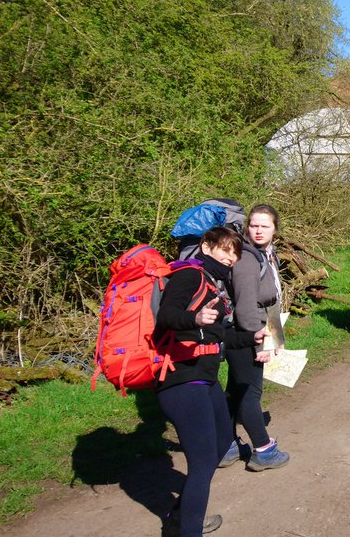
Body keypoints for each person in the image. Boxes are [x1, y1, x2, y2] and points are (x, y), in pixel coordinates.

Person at [155, 226, 267, 537]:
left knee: (220, 445)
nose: (231, 257)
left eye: (235, 252)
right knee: (203, 463)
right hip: (181, 380)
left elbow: (220, 338)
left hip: (204, 380)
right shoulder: (189, 276)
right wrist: (194, 319)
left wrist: (250, 337)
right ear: (206, 246)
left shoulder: (212, 284)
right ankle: (189, 530)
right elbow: (166, 316)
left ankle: (182, 515)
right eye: (226, 250)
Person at [223, 204, 290, 472]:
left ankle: (225, 446)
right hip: (246, 332)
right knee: (250, 392)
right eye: (254, 225)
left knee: (235, 389)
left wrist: (274, 337)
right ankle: (263, 450)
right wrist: (259, 342)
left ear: (275, 229)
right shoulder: (248, 258)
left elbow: (271, 298)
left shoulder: (265, 253)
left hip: (260, 326)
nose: (258, 230)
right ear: (246, 227)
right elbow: (246, 305)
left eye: (264, 226)